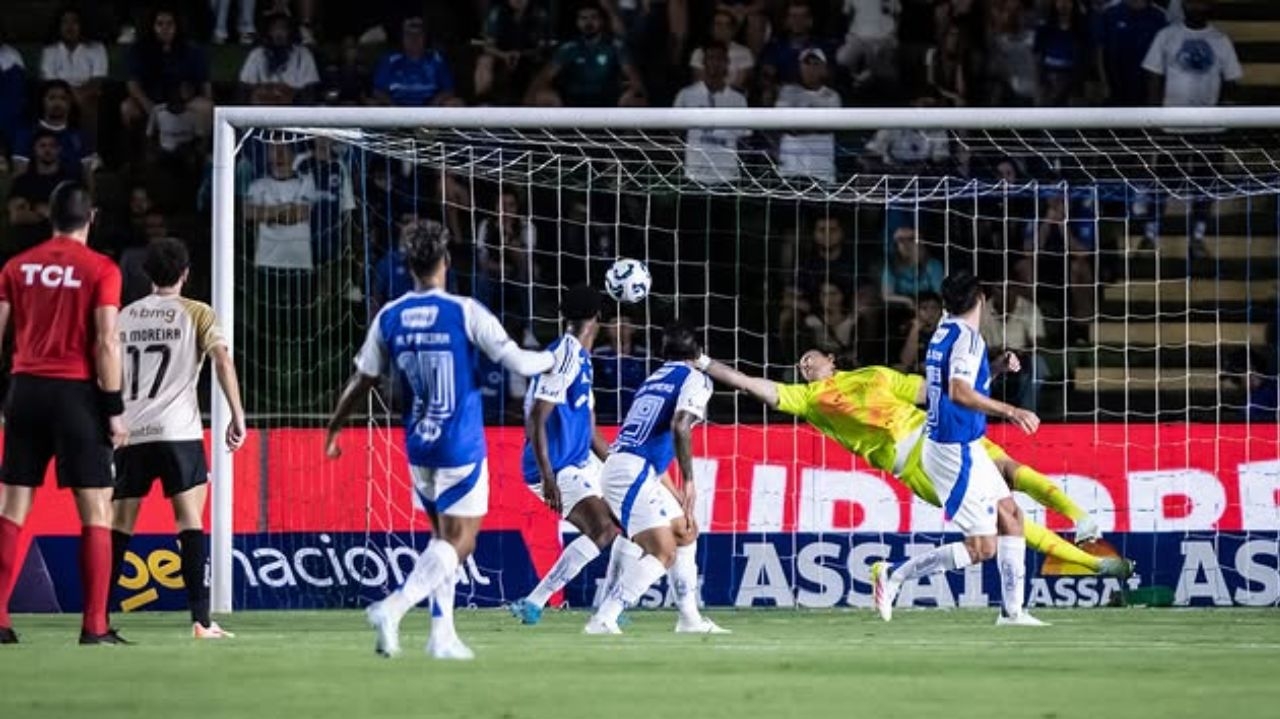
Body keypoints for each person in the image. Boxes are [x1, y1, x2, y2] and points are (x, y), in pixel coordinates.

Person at [323, 223, 563, 660]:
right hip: (459, 442)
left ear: (409, 266)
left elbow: (363, 379)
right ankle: (393, 608)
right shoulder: (464, 311)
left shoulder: (390, 315)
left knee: (441, 539)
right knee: (461, 542)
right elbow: (517, 361)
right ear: (446, 262)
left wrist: (335, 427)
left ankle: (442, 634)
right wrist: (555, 357)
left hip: (419, 442)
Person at [703, 347, 1133, 581]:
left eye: (811, 357)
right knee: (1002, 523)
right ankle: (1095, 564)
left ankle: (1083, 520)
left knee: (1010, 470)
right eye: (800, 364)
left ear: (831, 359)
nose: (805, 363)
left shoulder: (875, 374)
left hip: (940, 432)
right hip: (914, 463)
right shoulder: (808, 399)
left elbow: (938, 393)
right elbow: (749, 384)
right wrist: (704, 362)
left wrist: (994, 369)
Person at [0, 182, 129, 645]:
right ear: (90, 217)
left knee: (12, 506)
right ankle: (94, 627)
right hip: (76, 395)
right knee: (95, 508)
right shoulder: (102, 268)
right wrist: (114, 409)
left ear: (49, 216)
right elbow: (106, 341)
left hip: (25, 390)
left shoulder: (16, 266)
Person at [878, 271, 1045, 625]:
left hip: (960, 443)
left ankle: (1012, 613)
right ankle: (893, 574)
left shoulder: (944, 331)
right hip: (953, 452)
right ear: (981, 299)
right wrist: (1012, 411)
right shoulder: (968, 339)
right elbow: (958, 391)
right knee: (983, 547)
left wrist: (994, 368)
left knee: (1011, 515)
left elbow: (957, 385)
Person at [109, 238, 246, 639]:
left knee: (120, 526)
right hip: (178, 433)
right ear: (185, 273)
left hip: (131, 432)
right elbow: (222, 360)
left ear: (147, 273)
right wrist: (237, 415)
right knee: (189, 522)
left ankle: (97, 617)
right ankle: (201, 621)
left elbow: (106, 369)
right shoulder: (197, 312)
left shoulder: (124, 316)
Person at [584, 323, 728, 635]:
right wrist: (689, 480)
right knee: (663, 551)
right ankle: (604, 618)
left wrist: (675, 492)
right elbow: (680, 425)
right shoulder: (696, 378)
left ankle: (689, 620)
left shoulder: (654, 378)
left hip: (632, 467)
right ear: (698, 351)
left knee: (685, 530)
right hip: (632, 472)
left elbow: (651, 444)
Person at [508, 285, 638, 624]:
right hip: (556, 465)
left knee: (630, 519)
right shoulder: (565, 353)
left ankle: (609, 607)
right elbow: (537, 417)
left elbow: (590, 428)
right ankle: (535, 603)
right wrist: (548, 476)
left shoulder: (582, 357)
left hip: (579, 462)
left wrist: (619, 464)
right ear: (597, 318)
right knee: (603, 530)